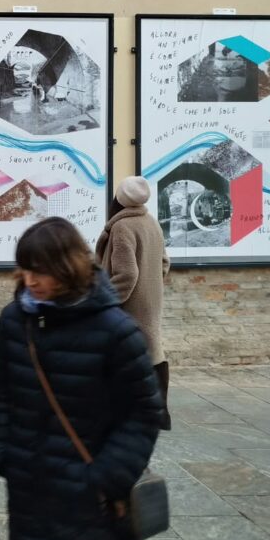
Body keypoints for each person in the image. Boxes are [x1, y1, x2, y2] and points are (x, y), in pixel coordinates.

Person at [0, 217, 162, 540]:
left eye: (41, 271)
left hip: (91, 504)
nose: (31, 281)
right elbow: (3, 391)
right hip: (29, 492)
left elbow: (143, 413)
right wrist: (4, 451)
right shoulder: (15, 321)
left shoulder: (116, 331)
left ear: (67, 267)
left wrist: (103, 478)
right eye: (25, 270)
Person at [96, 176, 173, 430]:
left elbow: (127, 274)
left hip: (129, 305)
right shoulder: (151, 222)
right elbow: (165, 262)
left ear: (119, 198)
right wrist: (151, 285)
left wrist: (108, 301)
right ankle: (157, 412)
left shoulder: (122, 227)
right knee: (152, 351)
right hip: (149, 300)